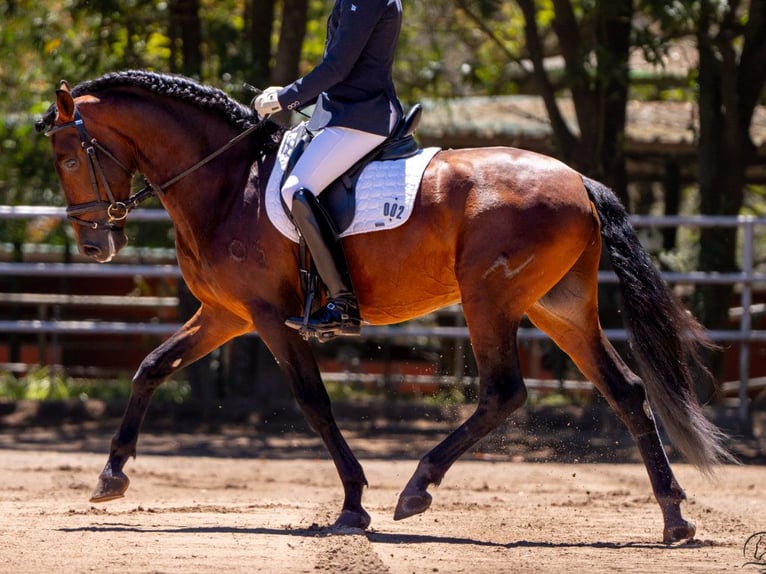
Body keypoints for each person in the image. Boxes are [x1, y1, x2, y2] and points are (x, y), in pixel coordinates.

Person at [253, 0, 404, 338]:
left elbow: (336, 68)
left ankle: (343, 304)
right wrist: (287, 94)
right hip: (344, 113)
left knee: (295, 189)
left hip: (360, 117)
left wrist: (285, 99)